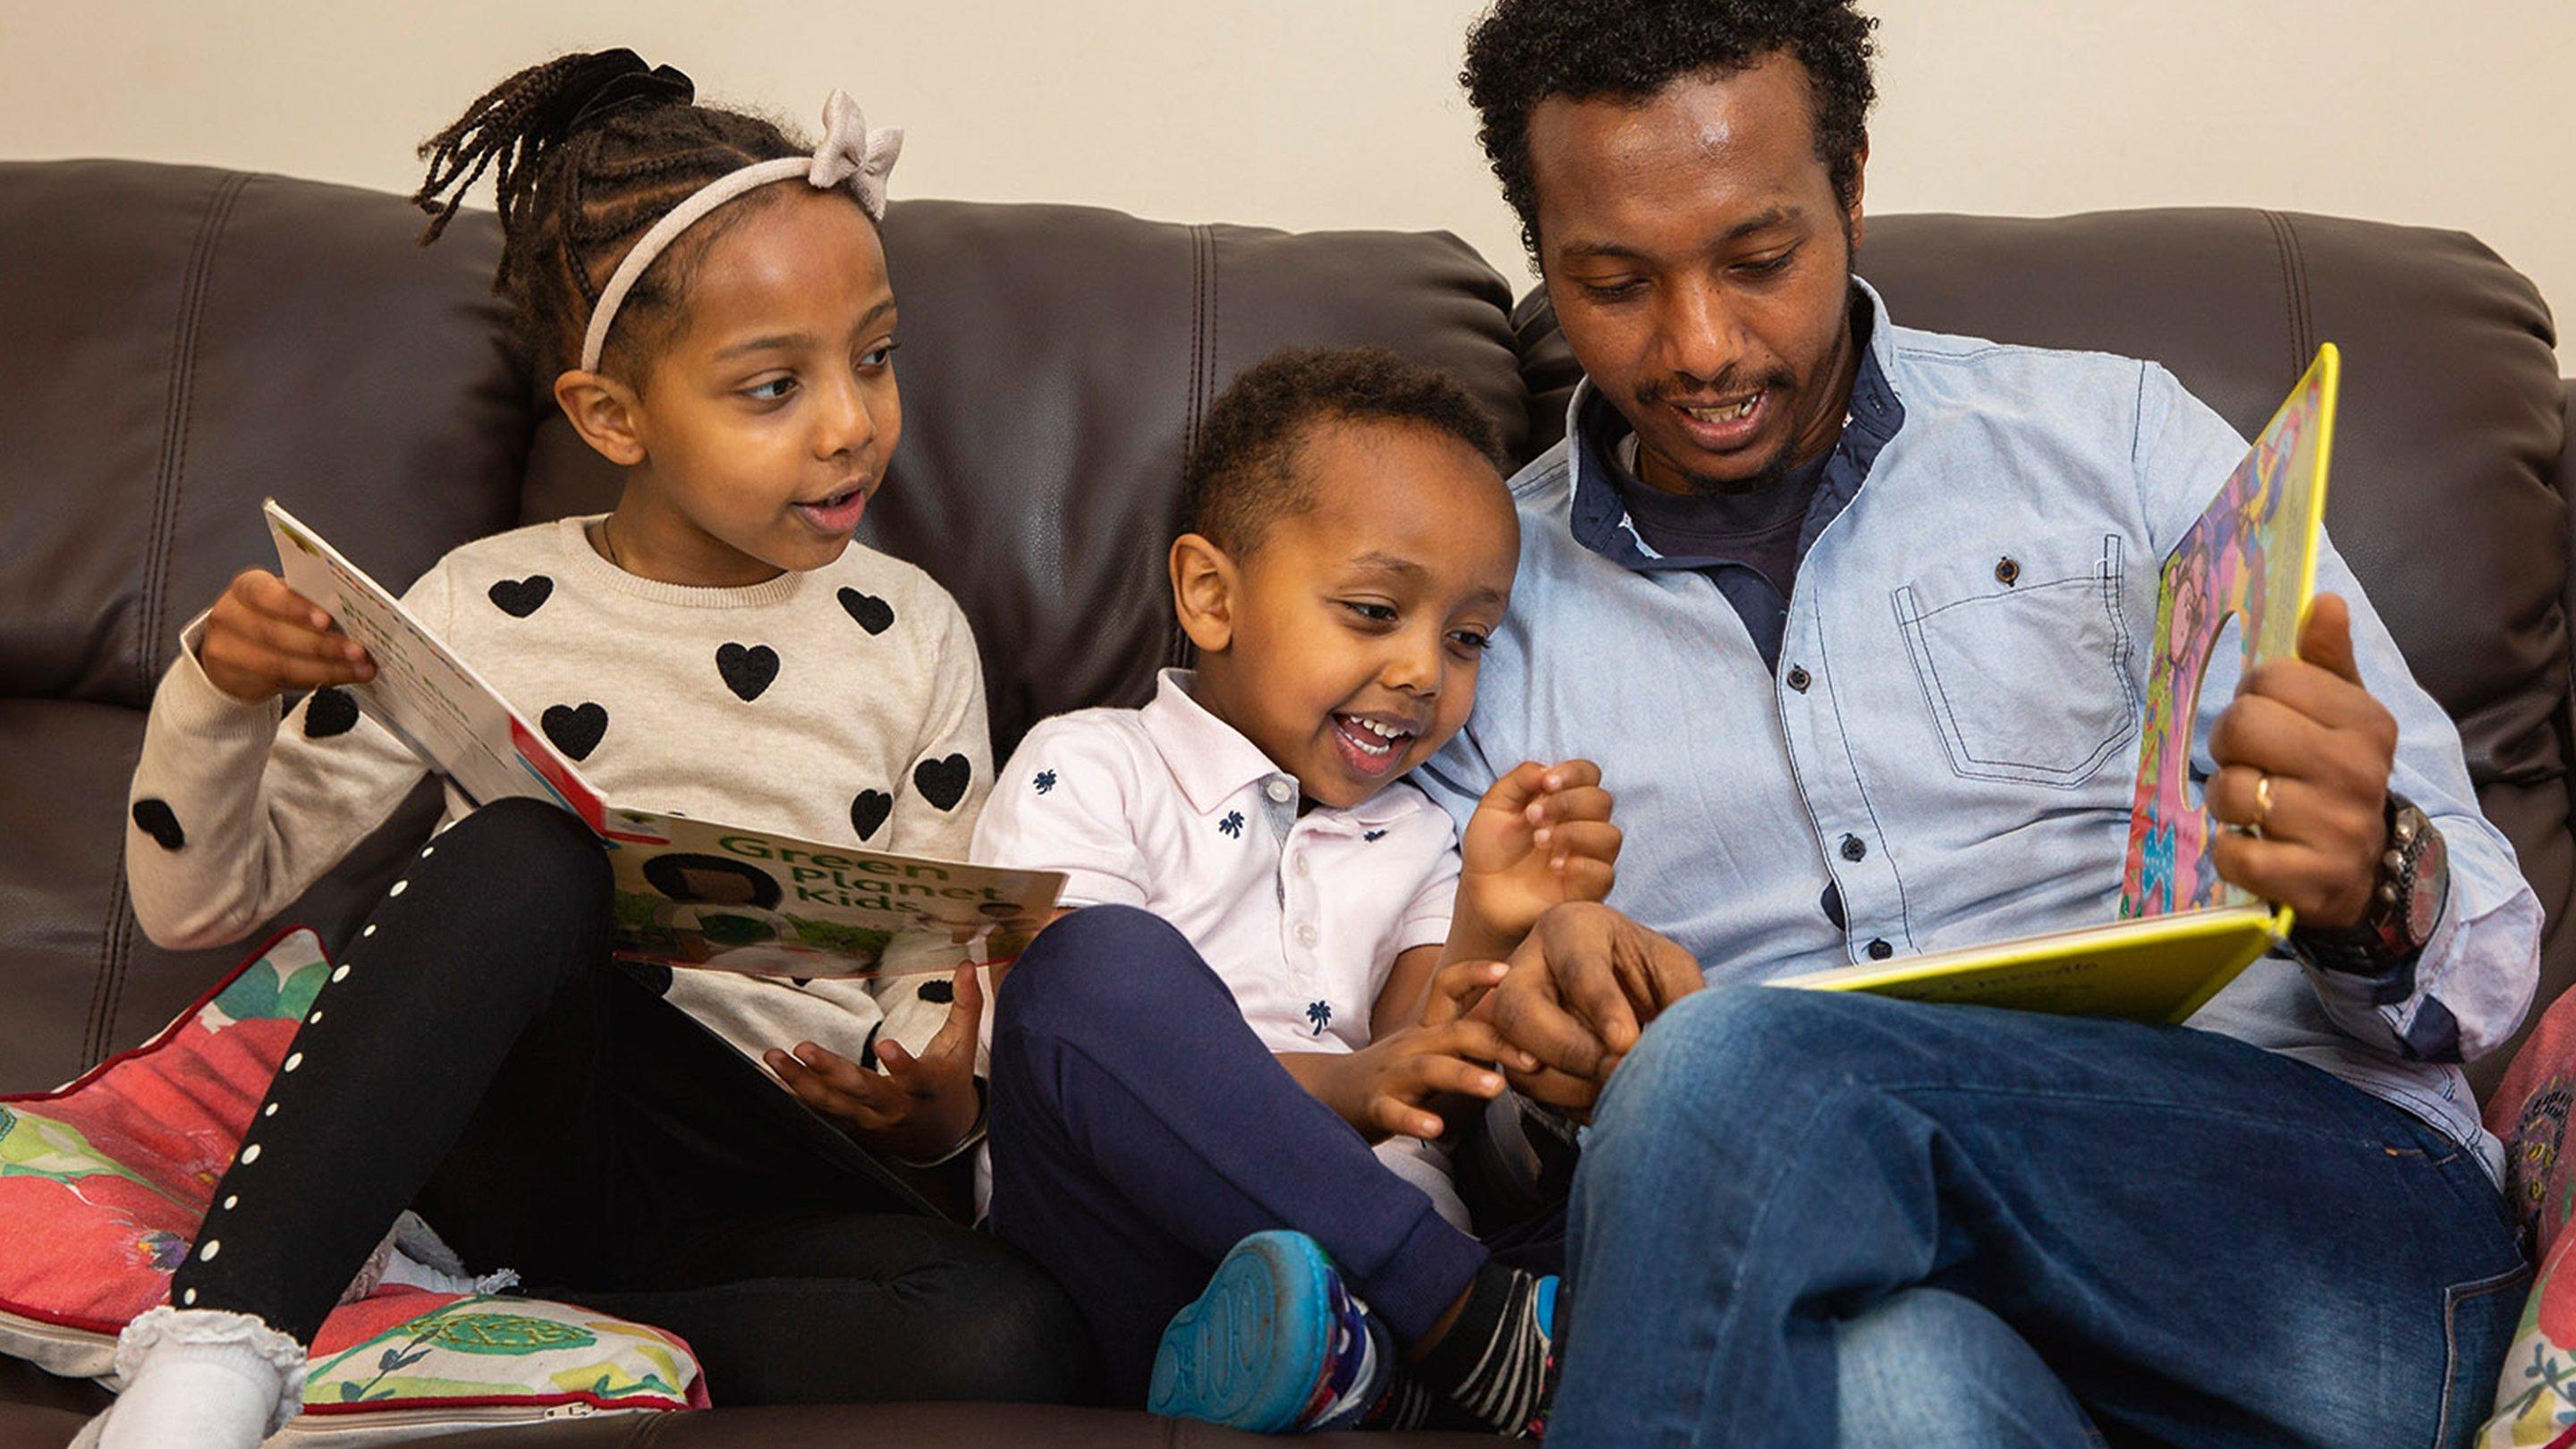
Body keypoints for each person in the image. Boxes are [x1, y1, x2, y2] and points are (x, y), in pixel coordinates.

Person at [1408, 3, 2538, 1445]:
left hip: (2308, 1243)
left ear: (1851, 188)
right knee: (1892, 1382)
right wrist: (1540, 1074)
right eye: (1615, 283)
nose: (1699, 346)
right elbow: (1453, 1132)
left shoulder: (2116, 443)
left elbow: (2494, 963)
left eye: (1759, 261)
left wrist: (2372, 887)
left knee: (1729, 1066)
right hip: (1829, 1287)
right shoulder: (1468, 614)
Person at [96, 49, 1080, 1449]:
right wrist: (218, 692)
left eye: (875, 356)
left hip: (767, 1171)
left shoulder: (912, 630)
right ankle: (215, 1359)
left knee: (1016, 1336)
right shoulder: (477, 605)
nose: (853, 423)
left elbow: (932, 944)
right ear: (614, 416)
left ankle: (486, 1338)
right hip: (527, 1136)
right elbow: (198, 903)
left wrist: (933, 1111)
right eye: (772, 387)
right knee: (528, 851)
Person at [974, 347, 1606, 1436]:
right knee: (1092, 961)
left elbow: (1422, 1081)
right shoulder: (1090, 766)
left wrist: (1490, 922)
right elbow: (1058, 1042)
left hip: (1379, 1267)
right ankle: (1464, 1327)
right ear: (1211, 596)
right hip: (1137, 1260)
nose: (1424, 672)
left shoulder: (1423, 833)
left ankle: (1369, 1378)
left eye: (1466, 639)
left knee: (1669, 1183)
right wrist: (1344, 1089)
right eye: (1373, 610)